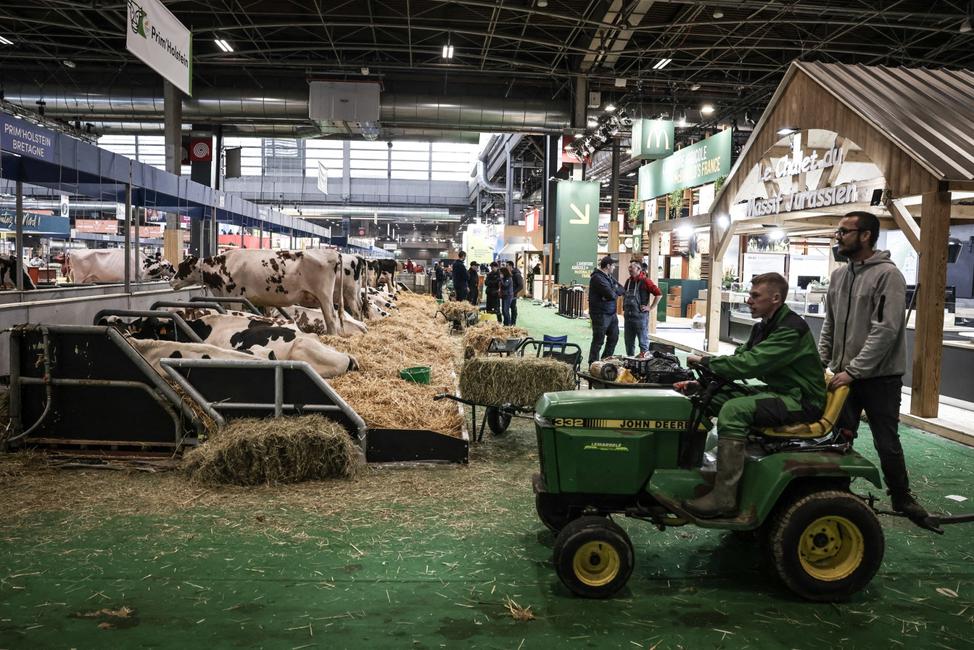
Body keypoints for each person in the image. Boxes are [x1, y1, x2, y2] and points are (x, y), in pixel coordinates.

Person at [678, 272, 826, 518]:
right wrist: (701, 383)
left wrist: (706, 361)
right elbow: (739, 357)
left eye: (756, 296)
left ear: (776, 298)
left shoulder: (790, 329)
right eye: (750, 294)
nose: (749, 300)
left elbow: (750, 364)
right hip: (783, 392)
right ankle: (697, 468)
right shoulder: (764, 327)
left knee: (734, 410)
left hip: (802, 400)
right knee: (712, 397)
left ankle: (724, 497)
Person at [818, 211, 929, 523]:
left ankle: (902, 497)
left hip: (880, 378)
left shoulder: (888, 276)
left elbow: (886, 329)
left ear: (865, 235)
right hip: (842, 373)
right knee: (838, 436)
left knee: (886, 440)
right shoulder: (840, 275)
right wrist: (821, 360)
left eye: (844, 231)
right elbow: (831, 322)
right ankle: (835, 494)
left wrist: (854, 370)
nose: (838, 237)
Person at [588, 256, 625, 365]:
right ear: (608, 266)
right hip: (600, 314)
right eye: (613, 265)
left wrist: (612, 290)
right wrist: (613, 290)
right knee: (598, 341)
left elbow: (621, 289)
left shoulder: (608, 277)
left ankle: (604, 362)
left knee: (614, 337)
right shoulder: (597, 278)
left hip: (611, 313)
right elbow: (611, 295)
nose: (614, 267)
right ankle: (593, 364)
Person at [622, 261, 662, 357]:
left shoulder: (646, 281)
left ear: (639, 269)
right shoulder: (628, 281)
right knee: (629, 344)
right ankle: (631, 363)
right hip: (628, 318)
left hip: (640, 318)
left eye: (632, 267)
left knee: (643, 343)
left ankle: (644, 365)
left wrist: (650, 307)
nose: (629, 269)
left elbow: (659, 294)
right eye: (629, 267)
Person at [507, 260, 524, 325]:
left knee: (513, 309)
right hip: (508, 294)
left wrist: (514, 292)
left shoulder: (517, 274)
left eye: (507, 265)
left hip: (513, 295)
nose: (506, 267)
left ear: (511, 266)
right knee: (507, 309)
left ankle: (513, 323)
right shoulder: (509, 273)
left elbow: (521, 286)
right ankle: (509, 323)